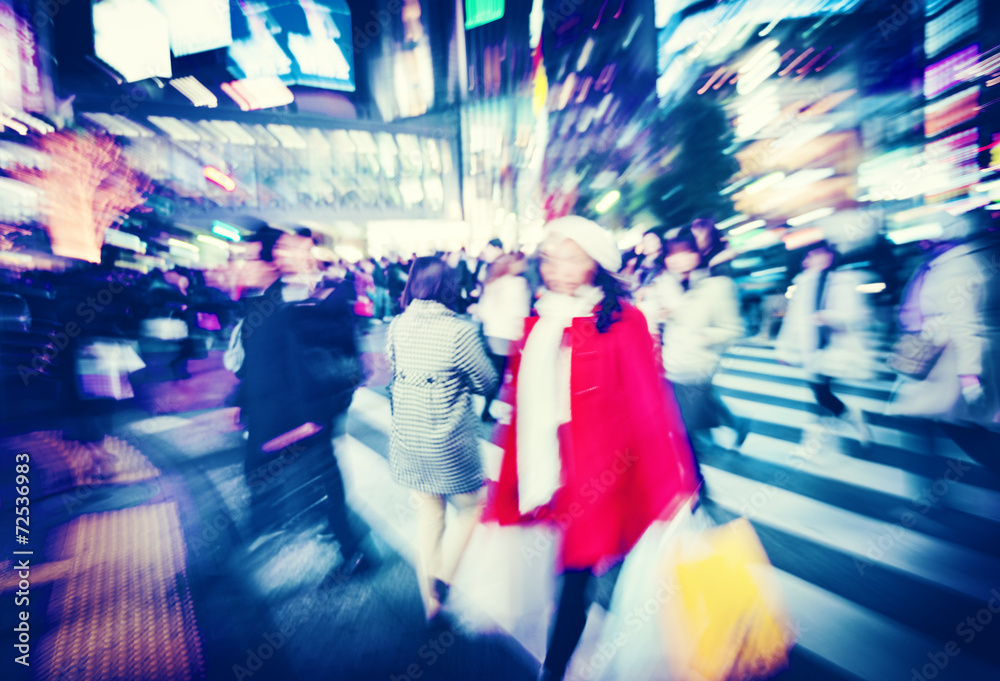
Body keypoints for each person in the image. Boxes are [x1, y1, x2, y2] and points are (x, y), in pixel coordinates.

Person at [491, 216, 700, 681]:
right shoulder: (542, 317)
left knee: (582, 569)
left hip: (612, 471)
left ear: (596, 264)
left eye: (570, 256)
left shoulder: (625, 320)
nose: (555, 267)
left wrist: (676, 476)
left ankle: (556, 665)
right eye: (549, 256)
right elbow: (524, 405)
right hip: (559, 470)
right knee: (573, 567)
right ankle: (562, 660)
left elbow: (651, 404)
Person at [234, 228, 372, 575]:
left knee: (324, 475)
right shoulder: (263, 301)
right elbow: (255, 365)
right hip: (272, 413)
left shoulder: (290, 302)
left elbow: (302, 363)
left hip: (299, 415)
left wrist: (309, 417)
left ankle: (351, 549)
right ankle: (269, 533)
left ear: (269, 261)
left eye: (249, 257)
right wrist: (239, 403)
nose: (242, 265)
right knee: (270, 476)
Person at [386, 257, 499, 621]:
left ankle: (430, 604)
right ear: (449, 287)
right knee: (472, 506)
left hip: (409, 438)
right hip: (449, 442)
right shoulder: (459, 331)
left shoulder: (397, 326)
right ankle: (444, 576)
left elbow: (393, 368)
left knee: (429, 516)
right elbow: (487, 381)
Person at [886, 213, 1000, 474]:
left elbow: (965, 323)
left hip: (947, 362)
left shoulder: (955, 267)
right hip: (935, 359)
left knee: (944, 425)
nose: (925, 243)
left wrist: (969, 375)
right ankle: (928, 498)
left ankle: (928, 500)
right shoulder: (939, 265)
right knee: (931, 423)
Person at [651, 228, 750, 453]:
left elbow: (733, 329)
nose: (677, 259)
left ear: (697, 254)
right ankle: (730, 430)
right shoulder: (666, 285)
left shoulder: (717, 285)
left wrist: (704, 337)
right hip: (671, 368)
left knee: (687, 436)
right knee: (688, 431)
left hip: (698, 367)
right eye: (672, 254)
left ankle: (698, 481)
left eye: (685, 252)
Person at [777, 240, 874, 451]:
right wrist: (784, 348)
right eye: (808, 256)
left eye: (814, 255)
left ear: (829, 256)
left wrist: (828, 317)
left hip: (835, 348)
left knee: (820, 394)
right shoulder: (803, 283)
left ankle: (816, 441)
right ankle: (851, 419)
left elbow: (857, 316)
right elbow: (793, 319)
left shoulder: (844, 281)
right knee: (820, 394)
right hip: (813, 349)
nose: (808, 260)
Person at [471, 252, 532, 421]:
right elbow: (521, 313)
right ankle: (517, 411)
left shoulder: (493, 283)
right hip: (510, 336)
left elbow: (483, 310)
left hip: (492, 335)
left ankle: (486, 410)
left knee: (496, 375)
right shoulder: (519, 283)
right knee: (515, 375)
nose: (524, 266)